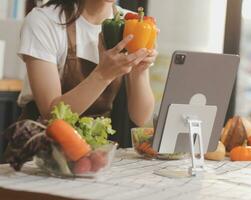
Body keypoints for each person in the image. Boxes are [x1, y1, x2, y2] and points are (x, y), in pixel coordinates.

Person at [17, 0, 157, 147]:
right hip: (39, 151)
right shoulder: (44, 21)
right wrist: (102, 75)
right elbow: (51, 115)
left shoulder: (132, 22)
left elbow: (141, 117)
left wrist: (139, 70)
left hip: (91, 151)